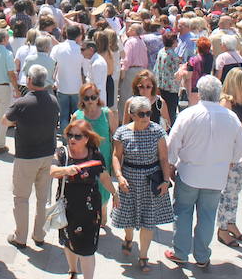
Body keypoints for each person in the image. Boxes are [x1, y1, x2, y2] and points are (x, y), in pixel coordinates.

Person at [164, 76, 242, 268]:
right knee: (207, 216)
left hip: (189, 173)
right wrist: (232, 161)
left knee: (183, 212)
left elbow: (173, 142)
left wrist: (171, 164)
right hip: (216, 177)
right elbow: (241, 143)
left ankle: (181, 252)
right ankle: (202, 256)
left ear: (199, 93)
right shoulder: (231, 117)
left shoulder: (189, 114)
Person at [111, 95, 174, 272]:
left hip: (150, 181)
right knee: (127, 219)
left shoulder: (157, 132)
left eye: (148, 113)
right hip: (129, 180)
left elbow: (163, 157)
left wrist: (165, 180)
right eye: (141, 114)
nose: (145, 117)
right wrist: (119, 176)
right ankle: (129, 238)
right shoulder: (122, 132)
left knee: (149, 222)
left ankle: (144, 255)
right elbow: (116, 156)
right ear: (132, 115)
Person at [51, 119, 120, 279]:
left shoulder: (95, 154)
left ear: (87, 138)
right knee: (68, 241)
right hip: (67, 207)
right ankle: (72, 270)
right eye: (70, 135)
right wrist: (65, 170)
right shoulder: (62, 153)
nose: (72, 139)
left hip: (89, 211)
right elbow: (52, 170)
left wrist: (114, 193)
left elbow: (104, 177)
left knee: (87, 249)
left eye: (78, 136)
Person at [3, 64, 59, 249]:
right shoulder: (53, 101)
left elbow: (5, 120)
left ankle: (21, 236)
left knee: (21, 197)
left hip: (26, 155)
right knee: (42, 198)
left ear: (29, 80)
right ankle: (39, 234)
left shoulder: (22, 103)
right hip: (47, 154)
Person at [215, 69, 242, 247]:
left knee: (235, 190)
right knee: (229, 191)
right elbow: (224, 129)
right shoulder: (226, 101)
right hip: (232, 153)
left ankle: (230, 222)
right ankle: (223, 228)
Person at [72, 82, 117, 225]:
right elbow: (71, 139)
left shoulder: (107, 113)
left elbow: (116, 137)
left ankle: (102, 211)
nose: (91, 101)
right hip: (83, 161)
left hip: (103, 160)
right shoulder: (77, 116)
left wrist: (117, 161)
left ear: (98, 96)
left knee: (103, 191)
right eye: (87, 98)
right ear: (82, 99)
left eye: (94, 97)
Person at [52, 24, 86, 133]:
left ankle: (65, 139)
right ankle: (77, 136)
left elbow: (52, 64)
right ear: (78, 36)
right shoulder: (81, 49)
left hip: (62, 86)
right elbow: (84, 70)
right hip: (77, 87)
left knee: (63, 116)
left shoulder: (57, 48)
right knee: (78, 115)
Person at [153, 32, 183, 125]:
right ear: (173, 42)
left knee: (161, 110)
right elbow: (177, 72)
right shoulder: (173, 56)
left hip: (160, 85)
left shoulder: (161, 51)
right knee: (170, 113)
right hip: (171, 88)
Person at [120, 23, 148, 110]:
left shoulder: (130, 42)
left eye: (130, 29)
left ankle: (123, 118)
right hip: (141, 70)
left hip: (131, 71)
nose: (128, 30)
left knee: (126, 95)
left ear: (134, 31)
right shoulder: (142, 42)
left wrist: (123, 70)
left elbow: (126, 58)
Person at [185, 36, 214, 107]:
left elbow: (188, 78)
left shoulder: (193, 60)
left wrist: (188, 94)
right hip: (206, 86)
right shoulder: (211, 57)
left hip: (194, 88)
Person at [82, 40, 109, 107]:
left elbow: (97, 87)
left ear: (91, 49)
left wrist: (92, 101)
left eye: (83, 49)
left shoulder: (97, 64)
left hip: (95, 101)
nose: (81, 52)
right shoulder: (94, 61)